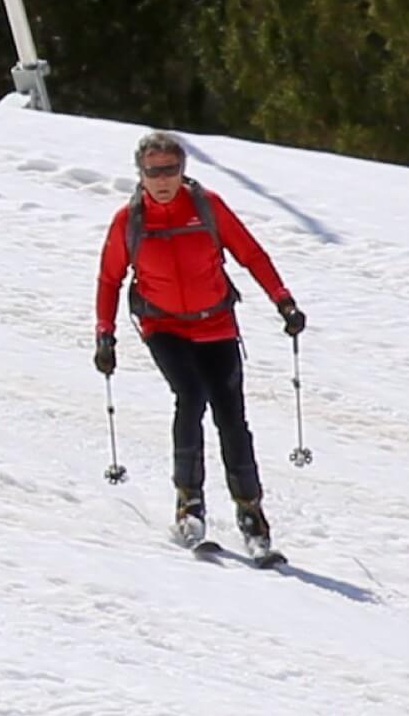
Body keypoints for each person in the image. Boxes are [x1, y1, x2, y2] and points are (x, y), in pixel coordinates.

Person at [93, 131, 306, 555]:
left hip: (217, 324)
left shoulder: (207, 207)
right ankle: (189, 504)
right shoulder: (129, 220)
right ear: (141, 174)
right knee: (190, 396)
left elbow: (251, 253)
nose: (162, 179)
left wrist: (284, 302)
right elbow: (109, 278)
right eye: (153, 171)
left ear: (183, 170)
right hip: (163, 326)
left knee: (232, 416)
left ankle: (251, 513)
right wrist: (105, 334)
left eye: (170, 169)